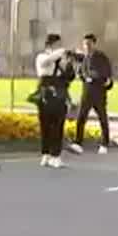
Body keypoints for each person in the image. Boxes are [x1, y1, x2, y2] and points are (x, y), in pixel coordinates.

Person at [34, 33, 74, 168]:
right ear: (50, 45)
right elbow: (46, 62)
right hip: (45, 91)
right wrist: (60, 54)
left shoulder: (60, 60)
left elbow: (69, 76)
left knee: (58, 124)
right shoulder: (42, 56)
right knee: (45, 123)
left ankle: (55, 155)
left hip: (59, 92)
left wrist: (69, 62)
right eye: (57, 45)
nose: (60, 48)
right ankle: (46, 154)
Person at [71, 33, 115, 154]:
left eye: (89, 44)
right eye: (85, 44)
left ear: (94, 44)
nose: (87, 46)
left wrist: (97, 77)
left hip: (98, 92)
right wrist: (83, 76)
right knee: (81, 117)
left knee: (102, 117)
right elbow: (81, 72)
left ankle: (104, 143)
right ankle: (77, 142)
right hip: (86, 92)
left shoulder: (101, 57)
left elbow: (106, 73)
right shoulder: (85, 58)